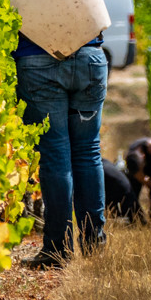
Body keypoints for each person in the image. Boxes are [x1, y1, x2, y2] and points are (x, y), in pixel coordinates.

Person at [16, 32, 108, 269]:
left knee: (55, 156)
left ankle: (58, 249)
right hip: (89, 56)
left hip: (36, 58)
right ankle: (94, 242)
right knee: (88, 151)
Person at [125, 137, 151, 216]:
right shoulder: (133, 162)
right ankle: (134, 215)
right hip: (135, 175)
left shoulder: (148, 148)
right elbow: (142, 179)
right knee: (134, 191)